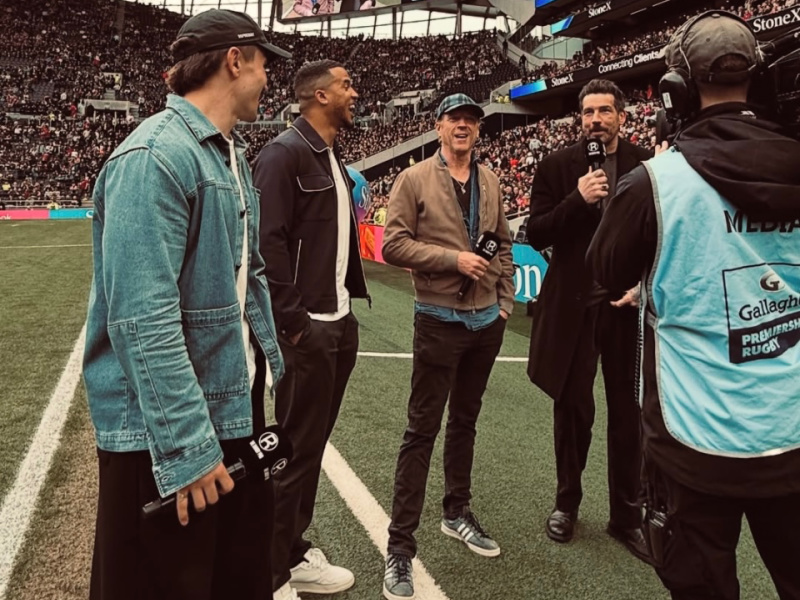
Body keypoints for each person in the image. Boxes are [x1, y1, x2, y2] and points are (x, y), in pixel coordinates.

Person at [587, 11, 800, 599]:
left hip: (695, 442)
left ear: (676, 92)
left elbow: (605, 272)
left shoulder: (654, 182)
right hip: (793, 429)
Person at [82, 9, 290, 600]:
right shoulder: (153, 157)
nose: (268, 79)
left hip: (226, 413)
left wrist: (270, 368)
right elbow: (143, 322)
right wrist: (188, 447)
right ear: (234, 60)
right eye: (263, 64)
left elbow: (247, 284)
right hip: (166, 436)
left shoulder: (231, 156)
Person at [381, 94, 515, 600]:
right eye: (455, 119)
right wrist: (452, 260)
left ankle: (456, 511)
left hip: (486, 323)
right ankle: (399, 550)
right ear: (438, 127)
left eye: (471, 120)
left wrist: (504, 301)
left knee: (466, 421)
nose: (463, 126)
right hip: (438, 320)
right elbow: (392, 244)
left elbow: (501, 243)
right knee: (421, 430)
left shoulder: (491, 178)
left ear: (478, 129)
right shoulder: (413, 178)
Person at [253, 59, 368, 600]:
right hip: (309, 330)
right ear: (319, 96)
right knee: (293, 454)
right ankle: (270, 574)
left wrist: (343, 318)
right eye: (345, 85)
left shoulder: (330, 154)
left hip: (339, 324)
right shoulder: (282, 154)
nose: (354, 92)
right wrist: (294, 325)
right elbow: (266, 244)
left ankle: (293, 553)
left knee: (311, 448)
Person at [525, 78, 651, 560]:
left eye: (603, 111)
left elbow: (660, 233)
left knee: (628, 414)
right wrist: (577, 199)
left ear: (622, 115)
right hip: (574, 309)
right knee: (573, 409)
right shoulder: (559, 166)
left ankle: (627, 516)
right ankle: (567, 504)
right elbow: (536, 232)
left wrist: (644, 284)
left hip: (625, 307)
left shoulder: (646, 164)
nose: (595, 120)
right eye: (587, 113)